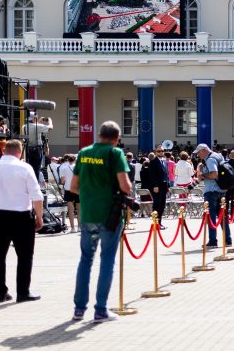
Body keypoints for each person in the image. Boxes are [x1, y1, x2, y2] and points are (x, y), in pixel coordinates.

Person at [70, 121, 132, 323]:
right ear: (117, 138)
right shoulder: (115, 154)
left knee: (85, 260)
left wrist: (90, 195)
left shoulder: (84, 152)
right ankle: (100, 310)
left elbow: (73, 186)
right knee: (107, 260)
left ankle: (79, 309)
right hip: (109, 215)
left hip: (88, 214)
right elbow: (125, 186)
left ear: (99, 135)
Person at [0, 139, 44, 303]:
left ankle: (1, 292)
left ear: (4, 150)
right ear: (19, 151)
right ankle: (22, 292)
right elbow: (36, 196)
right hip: (21, 216)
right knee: (24, 256)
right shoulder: (24, 167)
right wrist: (39, 216)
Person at [195, 144, 231, 248]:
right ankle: (228, 240)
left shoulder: (210, 159)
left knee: (211, 217)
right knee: (222, 216)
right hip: (222, 189)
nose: (198, 155)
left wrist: (203, 175)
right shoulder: (218, 156)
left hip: (212, 191)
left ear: (204, 150)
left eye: (199, 152)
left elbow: (214, 174)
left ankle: (213, 241)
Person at [145, 152, 168, 229]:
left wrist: (167, 186)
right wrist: (154, 185)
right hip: (157, 187)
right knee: (157, 205)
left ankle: (159, 222)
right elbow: (151, 175)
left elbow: (165, 174)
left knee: (162, 205)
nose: (160, 152)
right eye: (158, 151)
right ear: (156, 152)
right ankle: (155, 223)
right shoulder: (153, 161)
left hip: (164, 187)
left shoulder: (164, 161)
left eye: (162, 151)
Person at [60, 154, 79, 232]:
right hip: (77, 189)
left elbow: (62, 181)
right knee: (79, 209)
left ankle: (72, 228)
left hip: (68, 189)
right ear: (75, 160)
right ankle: (80, 227)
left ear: (68, 160)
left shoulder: (64, 168)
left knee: (70, 210)